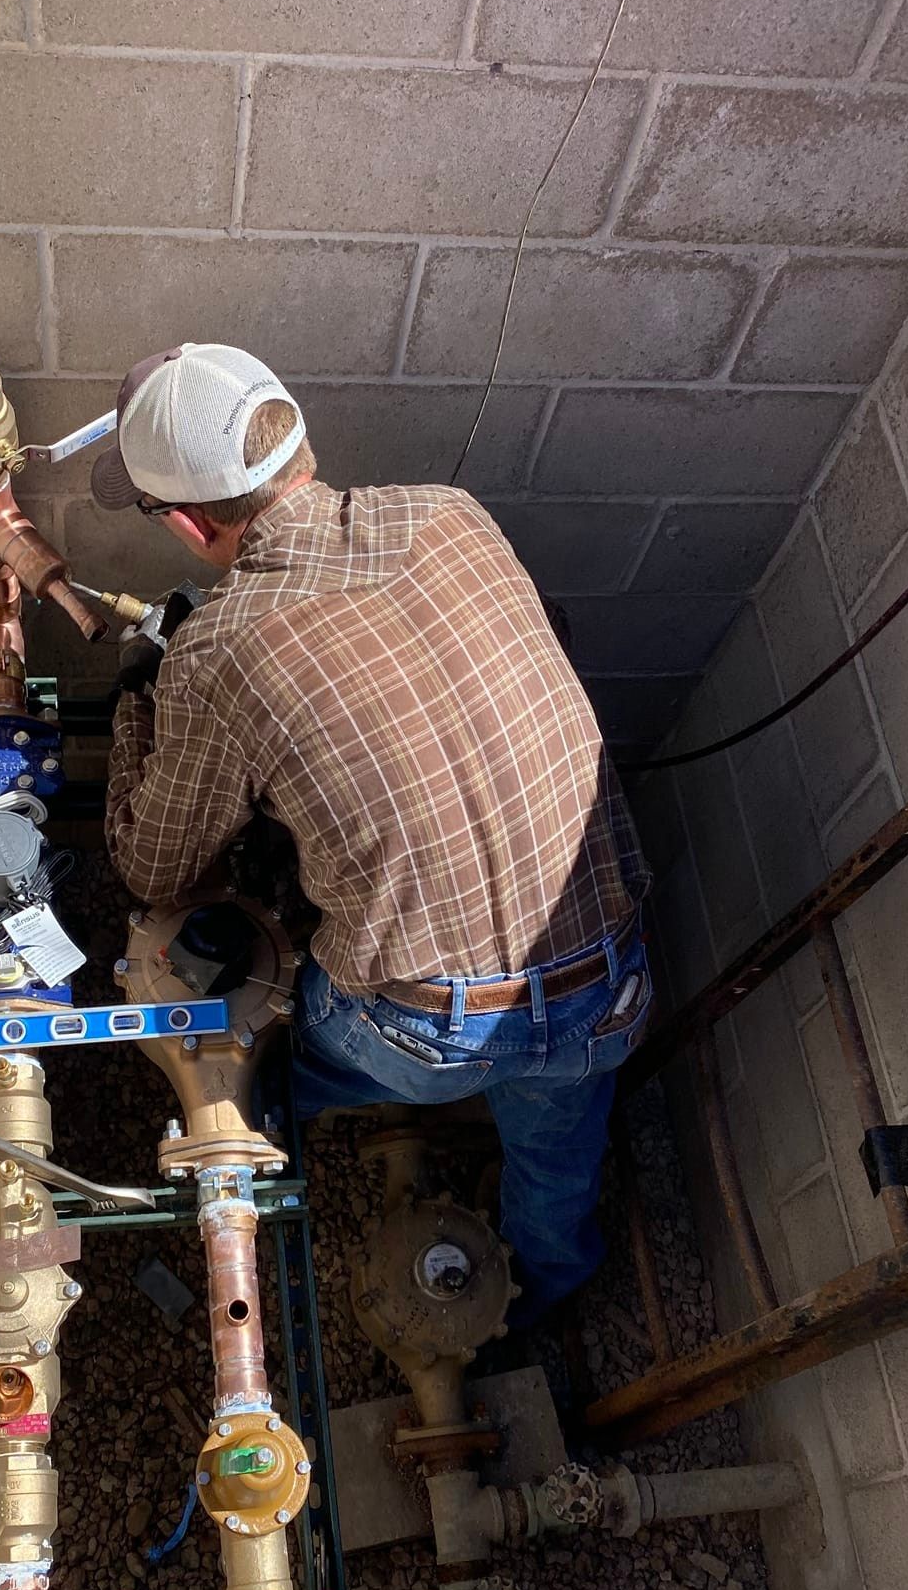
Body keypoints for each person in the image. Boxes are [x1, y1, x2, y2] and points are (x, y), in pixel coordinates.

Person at [95, 342, 651, 1347]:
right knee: (558, 1144)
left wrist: (142, 700)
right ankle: (546, 1296)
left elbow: (154, 864)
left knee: (275, 1034)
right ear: (297, 439)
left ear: (187, 522)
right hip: (605, 992)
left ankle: (264, 1126)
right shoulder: (452, 513)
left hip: (425, 1038)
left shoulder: (224, 650)